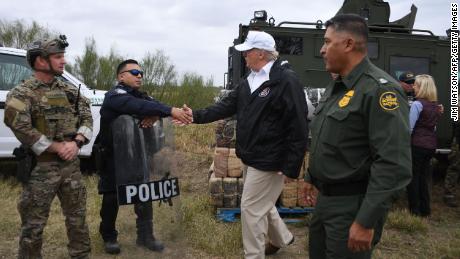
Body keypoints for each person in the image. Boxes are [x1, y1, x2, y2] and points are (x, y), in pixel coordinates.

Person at [180, 30, 308, 259]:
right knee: (261, 202)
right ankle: (282, 238)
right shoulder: (250, 80)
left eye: (247, 52)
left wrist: (292, 165)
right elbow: (225, 106)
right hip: (250, 156)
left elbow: (298, 124)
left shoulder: (285, 80)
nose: (244, 56)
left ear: (260, 53)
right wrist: (195, 116)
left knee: (250, 207)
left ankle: (253, 255)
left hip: (271, 160)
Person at [302, 14, 412, 258]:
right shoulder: (338, 86)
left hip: (352, 206)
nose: (321, 50)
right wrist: (312, 176)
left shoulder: (380, 90)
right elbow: (329, 137)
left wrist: (366, 220)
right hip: (325, 202)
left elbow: (393, 164)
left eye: (327, 42)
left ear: (349, 44)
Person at [4, 35, 92, 259]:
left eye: (63, 56)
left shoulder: (70, 91)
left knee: (78, 220)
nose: (63, 61)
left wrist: (76, 143)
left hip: (71, 168)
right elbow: (20, 126)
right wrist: (56, 147)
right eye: (58, 57)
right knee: (33, 227)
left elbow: (87, 118)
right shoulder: (23, 93)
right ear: (41, 61)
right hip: (40, 170)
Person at [96, 59, 192, 254]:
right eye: (134, 72)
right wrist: (169, 111)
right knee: (112, 196)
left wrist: (156, 115)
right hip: (112, 156)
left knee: (144, 192)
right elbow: (134, 106)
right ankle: (109, 236)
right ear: (121, 76)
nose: (139, 75)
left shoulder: (142, 97)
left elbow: (152, 105)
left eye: (141, 73)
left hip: (138, 155)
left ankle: (145, 235)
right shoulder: (114, 96)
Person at [407, 74, 441, 217]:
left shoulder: (417, 104)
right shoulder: (436, 106)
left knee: (413, 177)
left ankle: (414, 210)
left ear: (421, 87)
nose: (413, 86)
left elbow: (409, 128)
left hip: (417, 145)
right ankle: (425, 210)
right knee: (423, 178)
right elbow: (433, 128)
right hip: (430, 145)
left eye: (415, 84)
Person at [444, 120, 460, 207]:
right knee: (454, 169)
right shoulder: (455, 108)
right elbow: (454, 123)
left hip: (456, 141)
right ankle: (449, 195)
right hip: (457, 142)